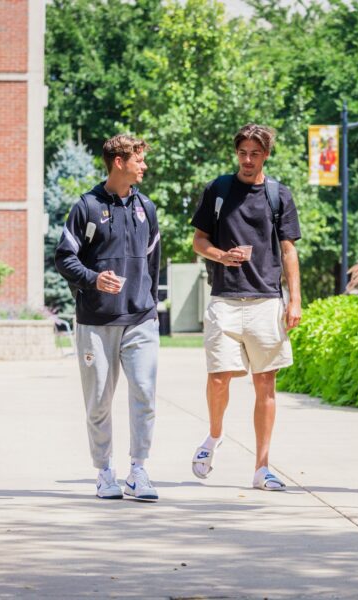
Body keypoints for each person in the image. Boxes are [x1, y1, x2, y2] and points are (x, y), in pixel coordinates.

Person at [189, 124, 302, 491]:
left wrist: (295, 300)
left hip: (267, 300)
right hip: (224, 298)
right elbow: (198, 241)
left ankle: (262, 468)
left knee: (264, 383)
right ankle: (215, 435)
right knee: (219, 376)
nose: (248, 160)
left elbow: (288, 250)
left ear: (266, 154)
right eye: (242, 153)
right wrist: (221, 256)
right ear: (236, 153)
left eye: (255, 153)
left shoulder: (277, 195)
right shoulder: (218, 190)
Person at [55, 134, 162, 501]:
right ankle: (104, 472)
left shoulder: (145, 208)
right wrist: (93, 279)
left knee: (145, 394)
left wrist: (150, 305)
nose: (144, 165)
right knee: (99, 400)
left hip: (140, 320)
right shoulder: (86, 207)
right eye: (139, 159)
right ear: (119, 162)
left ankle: (139, 471)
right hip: (96, 322)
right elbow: (64, 257)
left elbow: (153, 264)